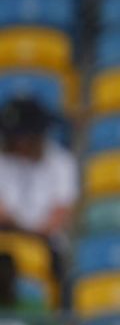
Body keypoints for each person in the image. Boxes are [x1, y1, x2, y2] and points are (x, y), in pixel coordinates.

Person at [0, 97, 76, 286]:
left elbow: (58, 217)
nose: (20, 143)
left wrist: (28, 232)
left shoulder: (61, 163)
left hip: (47, 244)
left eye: (24, 137)